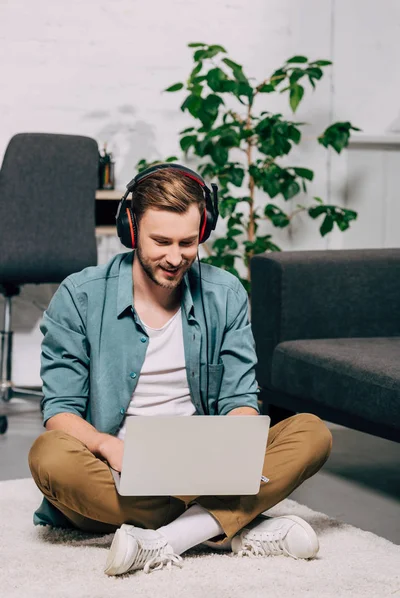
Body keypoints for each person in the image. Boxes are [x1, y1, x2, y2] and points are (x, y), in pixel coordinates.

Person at [28, 164, 333, 577]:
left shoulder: (225, 295)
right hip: (116, 471)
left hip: (203, 464)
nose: (175, 257)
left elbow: (239, 399)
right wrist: (108, 447)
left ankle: (170, 538)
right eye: (161, 241)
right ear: (132, 229)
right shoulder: (80, 296)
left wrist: (235, 446)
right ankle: (227, 522)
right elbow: (60, 409)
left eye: (187, 243)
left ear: (203, 232)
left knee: (311, 432)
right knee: (49, 456)